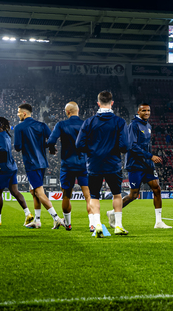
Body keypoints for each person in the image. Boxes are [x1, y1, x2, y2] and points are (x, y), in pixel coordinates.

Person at [107, 103, 171, 229]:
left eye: (148, 110)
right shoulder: (134, 125)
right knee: (134, 195)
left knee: (157, 188)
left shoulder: (148, 126)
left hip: (147, 165)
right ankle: (113, 212)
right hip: (135, 165)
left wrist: (150, 159)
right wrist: (150, 156)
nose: (147, 112)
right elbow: (132, 146)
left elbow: (147, 145)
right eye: (144, 111)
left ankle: (158, 222)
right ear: (138, 111)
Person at [76, 91, 128, 237]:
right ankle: (118, 226)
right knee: (117, 195)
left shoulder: (89, 122)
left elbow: (79, 144)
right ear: (112, 103)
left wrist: (92, 151)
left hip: (94, 164)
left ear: (98, 103)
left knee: (94, 196)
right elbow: (125, 146)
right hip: (113, 164)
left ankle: (97, 224)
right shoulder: (120, 122)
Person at [14, 104, 65, 230]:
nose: (18, 114)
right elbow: (51, 139)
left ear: (24, 114)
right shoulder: (42, 125)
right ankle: (37, 221)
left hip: (31, 164)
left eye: (19, 112)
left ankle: (57, 218)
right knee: (33, 192)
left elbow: (17, 146)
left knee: (39, 192)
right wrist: (51, 148)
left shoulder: (19, 127)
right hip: (42, 162)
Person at [47, 102, 92, 231]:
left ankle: (68, 223)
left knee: (66, 195)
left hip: (67, 165)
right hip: (84, 164)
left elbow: (51, 141)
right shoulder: (86, 124)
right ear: (78, 110)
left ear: (67, 112)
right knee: (88, 196)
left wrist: (51, 148)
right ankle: (92, 224)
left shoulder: (61, 125)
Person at [0, 117, 33, 227]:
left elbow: (3, 151)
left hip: (2, 168)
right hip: (12, 167)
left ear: (0, 125)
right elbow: (2, 149)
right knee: (15, 192)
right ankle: (28, 213)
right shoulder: (6, 135)